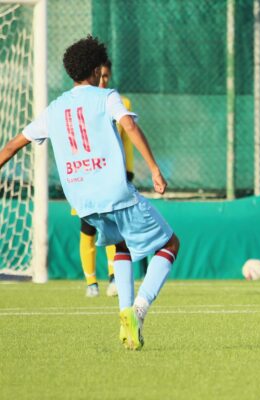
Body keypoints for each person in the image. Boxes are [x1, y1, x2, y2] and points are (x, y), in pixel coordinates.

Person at [0, 36, 180, 351]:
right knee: (170, 244)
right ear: (97, 70)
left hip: (83, 202)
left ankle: (126, 314)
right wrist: (154, 169)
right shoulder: (106, 96)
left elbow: (13, 145)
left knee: (121, 244)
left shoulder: (54, 109)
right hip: (115, 192)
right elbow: (131, 127)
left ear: (71, 72)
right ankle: (139, 309)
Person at [74, 60, 136, 298]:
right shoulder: (78, 106)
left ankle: (114, 278)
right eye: (99, 75)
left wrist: (128, 172)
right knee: (87, 230)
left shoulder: (120, 103)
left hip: (113, 180)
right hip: (86, 179)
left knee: (114, 228)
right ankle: (91, 282)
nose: (103, 80)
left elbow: (127, 142)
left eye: (107, 76)